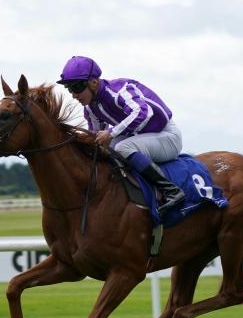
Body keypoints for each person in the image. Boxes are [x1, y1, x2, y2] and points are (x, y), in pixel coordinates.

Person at [56, 56, 185, 216]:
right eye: (69, 89)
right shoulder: (91, 109)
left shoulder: (120, 90)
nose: (74, 95)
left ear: (94, 82)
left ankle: (171, 190)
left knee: (122, 147)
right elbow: (96, 139)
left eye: (76, 87)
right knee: (106, 149)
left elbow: (143, 112)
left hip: (166, 135)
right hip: (142, 138)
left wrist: (111, 132)